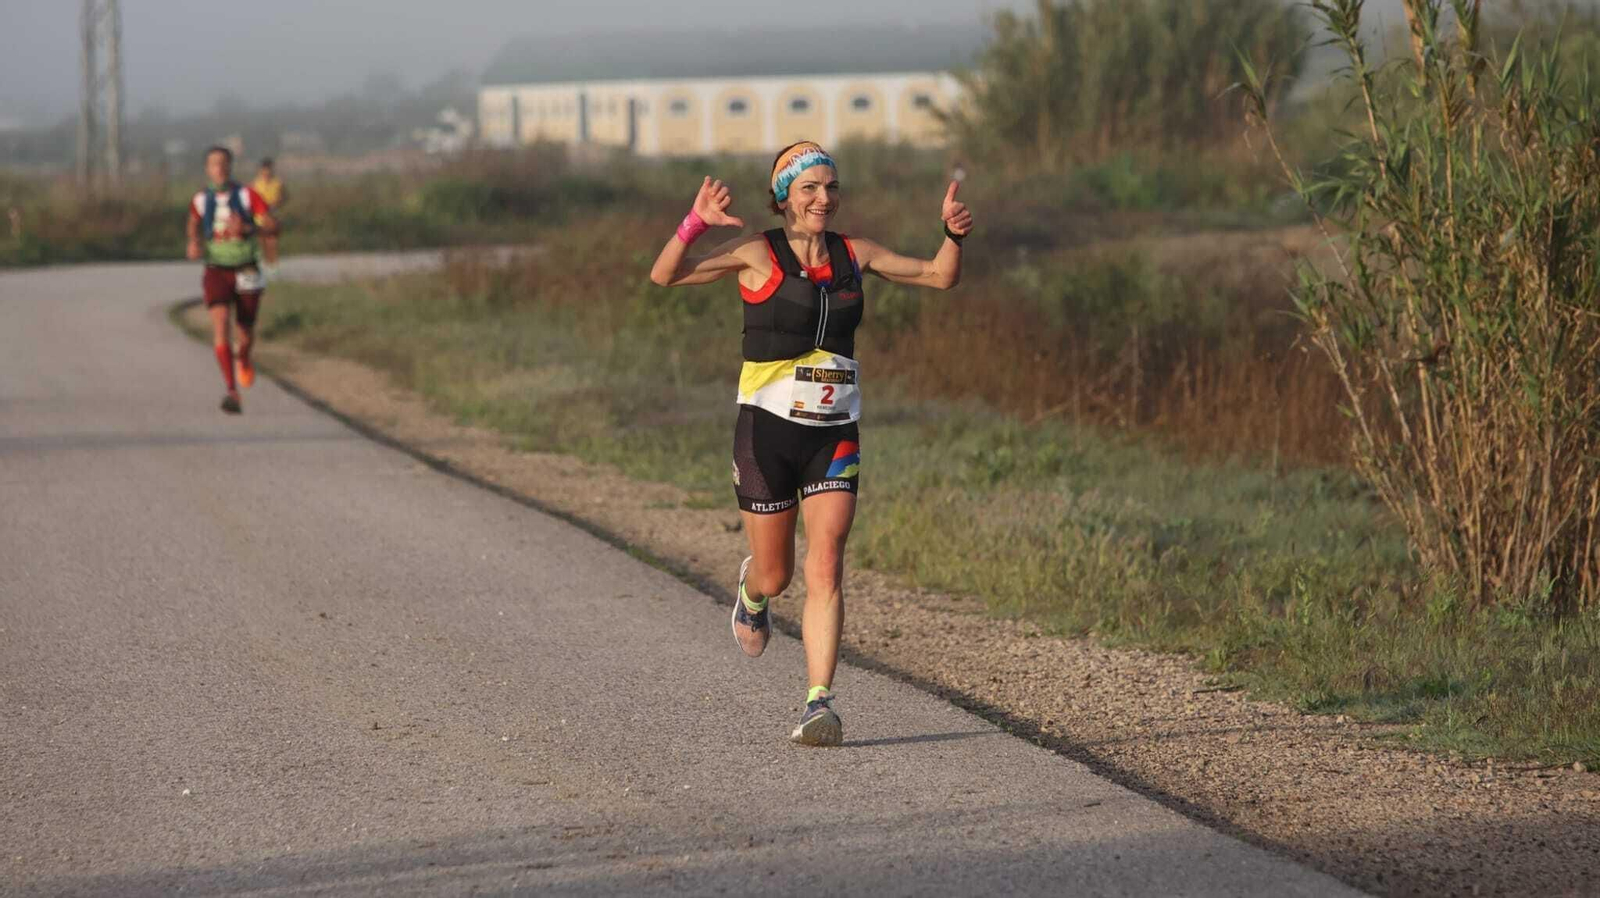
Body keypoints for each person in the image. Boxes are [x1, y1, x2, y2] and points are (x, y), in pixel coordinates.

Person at [649, 142, 973, 746]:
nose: (823, 199)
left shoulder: (857, 253)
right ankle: (754, 593)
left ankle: (818, 702)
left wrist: (951, 236)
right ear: (784, 196)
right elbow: (664, 275)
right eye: (809, 189)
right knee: (779, 574)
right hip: (766, 433)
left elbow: (937, 276)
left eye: (831, 188)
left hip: (834, 434)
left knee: (827, 564)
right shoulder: (755, 253)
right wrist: (694, 225)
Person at [187, 146, 275, 414]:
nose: (220, 168)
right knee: (221, 321)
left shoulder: (248, 196)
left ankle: (244, 358)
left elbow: (273, 225)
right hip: (216, 268)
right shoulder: (201, 199)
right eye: (214, 164)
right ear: (207, 169)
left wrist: (249, 228)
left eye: (224, 163)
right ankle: (231, 391)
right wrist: (193, 241)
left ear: (231, 166)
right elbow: (193, 220)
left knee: (245, 334)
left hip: (246, 267)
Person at [250, 157, 286, 270]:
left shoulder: (278, 183)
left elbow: (284, 196)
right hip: (259, 217)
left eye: (269, 169)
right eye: (265, 169)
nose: (267, 172)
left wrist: (278, 202)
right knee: (262, 241)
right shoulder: (255, 184)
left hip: (273, 215)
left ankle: (274, 265)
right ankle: (265, 263)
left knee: (272, 241)